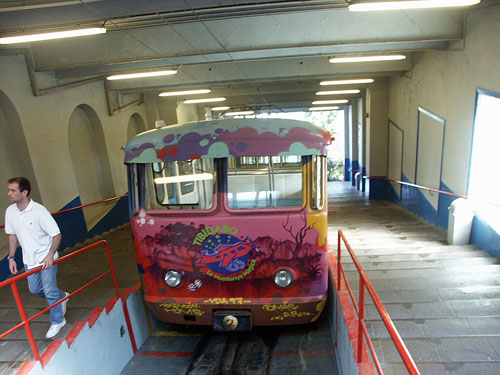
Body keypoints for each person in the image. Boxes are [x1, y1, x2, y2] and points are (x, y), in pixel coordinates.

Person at [5, 177, 69, 339]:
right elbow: (12, 236)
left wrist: (49, 256)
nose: (9, 194)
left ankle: (57, 321)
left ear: (24, 192)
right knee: (35, 289)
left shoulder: (39, 211)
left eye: (12, 190)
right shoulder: (10, 212)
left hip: (45, 257)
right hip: (29, 260)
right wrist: (11, 258)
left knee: (48, 290)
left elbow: (56, 235)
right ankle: (62, 297)